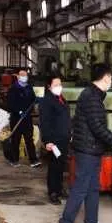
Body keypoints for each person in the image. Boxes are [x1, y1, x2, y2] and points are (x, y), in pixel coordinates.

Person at [56, 63, 112, 223]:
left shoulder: (93, 95)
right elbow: (97, 127)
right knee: (81, 187)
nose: (111, 81)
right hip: (87, 150)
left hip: (92, 149)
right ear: (106, 78)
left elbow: (96, 127)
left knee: (93, 187)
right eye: (110, 77)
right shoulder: (91, 97)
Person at [39, 74, 71, 205]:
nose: (59, 86)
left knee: (61, 165)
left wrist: (69, 133)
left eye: (60, 84)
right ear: (49, 86)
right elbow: (44, 122)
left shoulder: (61, 98)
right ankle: (53, 192)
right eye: (56, 85)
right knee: (54, 166)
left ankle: (59, 188)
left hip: (63, 138)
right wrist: (47, 140)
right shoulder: (47, 101)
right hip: (54, 139)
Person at [6, 69, 40, 168]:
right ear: (18, 77)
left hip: (27, 118)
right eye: (22, 76)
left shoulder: (29, 87)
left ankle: (33, 160)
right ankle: (14, 160)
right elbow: (10, 103)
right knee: (16, 139)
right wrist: (18, 111)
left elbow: (33, 99)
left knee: (29, 139)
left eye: (26, 76)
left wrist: (36, 100)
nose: (25, 77)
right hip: (16, 119)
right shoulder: (13, 88)